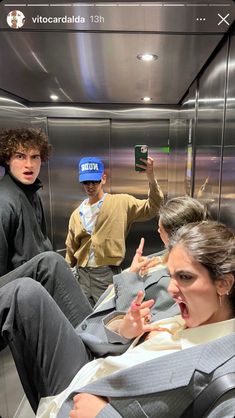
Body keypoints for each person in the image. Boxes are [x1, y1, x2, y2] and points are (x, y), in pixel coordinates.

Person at [1, 221, 235, 418]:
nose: (172, 289)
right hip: (94, 364)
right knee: (40, 274)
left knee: (23, 293)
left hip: (80, 399)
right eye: (171, 275)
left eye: (185, 277)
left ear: (224, 283)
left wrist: (106, 415)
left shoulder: (225, 375)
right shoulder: (194, 311)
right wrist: (126, 332)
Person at [65, 155, 164, 305]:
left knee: (108, 315)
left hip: (106, 274)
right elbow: (71, 249)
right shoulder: (76, 214)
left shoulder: (121, 203)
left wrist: (151, 176)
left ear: (103, 178)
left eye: (94, 181)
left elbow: (153, 207)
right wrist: (67, 273)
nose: (90, 186)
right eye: (86, 182)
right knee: (82, 318)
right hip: (81, 275)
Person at [0, 128, 53, 276]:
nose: (29, 164)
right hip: (17, 292)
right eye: (20, 156)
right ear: (7, 159)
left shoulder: (33, 194)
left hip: (38, 285)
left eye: (35, 156)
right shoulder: (4, 200)